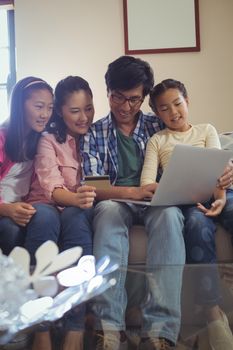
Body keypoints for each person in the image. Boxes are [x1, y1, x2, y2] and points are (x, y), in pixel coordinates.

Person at [81, 56, 186, 350]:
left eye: (134, 100)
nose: (125, 107)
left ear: (144, 99)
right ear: (108, 92)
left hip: (157, 201)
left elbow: (190, 158)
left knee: (170, 216)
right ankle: (111, 328)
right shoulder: (95, 132)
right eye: (118, 98)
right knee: (108, 214)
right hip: (117, 201)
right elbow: (93, 187)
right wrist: (133, 193)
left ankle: (161, 331)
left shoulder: (159, 126)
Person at [141, 78, 233, 350]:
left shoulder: (207, 130)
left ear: (187, 101)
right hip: (187, 202)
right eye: (164, 109)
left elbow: (219, 169)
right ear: (157, 114)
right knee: (196, 222)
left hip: (220, 194)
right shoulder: (157, 140)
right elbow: (147, 185)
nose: (173, 112)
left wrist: (219, 199)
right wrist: (168, 185)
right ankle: (212, 313)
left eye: (177, 103)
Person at [25, 76, 96, 350]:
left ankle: (75, 327)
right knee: (44, 218)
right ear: (60, 111)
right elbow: (51, 187)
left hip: (78, 209)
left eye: (88, 108)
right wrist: (76, 198)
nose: (84, 117)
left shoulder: (96, 137)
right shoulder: (49, 140)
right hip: (46, 202)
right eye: (75, 111)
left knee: (76, 218)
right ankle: (41, 327)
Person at [0, 76, 53, 255]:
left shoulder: (41, 138)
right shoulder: (2, 138)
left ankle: (38, 278)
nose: (45, 114)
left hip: (24, 208)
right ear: (19, 106)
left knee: (46, 218)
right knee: (11, 230)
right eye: (38, 107)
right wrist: (7, 209)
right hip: (4, 210)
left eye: (50, 107)